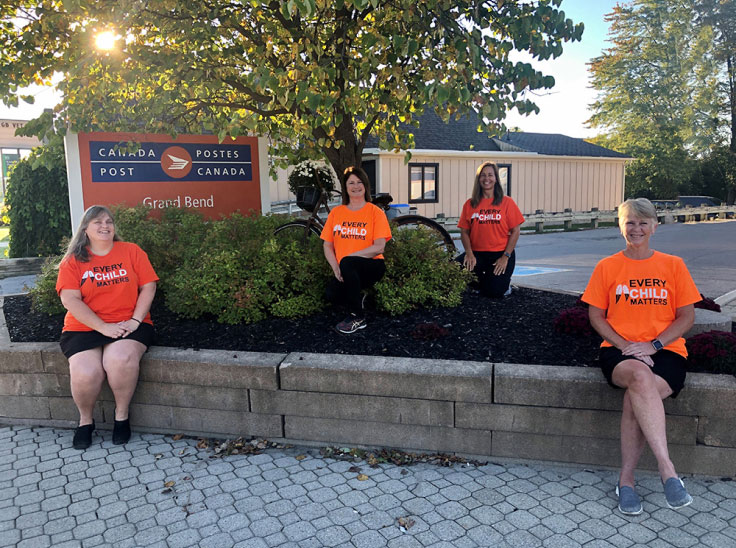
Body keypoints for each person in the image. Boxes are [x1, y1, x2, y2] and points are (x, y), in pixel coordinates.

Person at [581, 198, 700, 515]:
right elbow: (596, 316)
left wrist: (654, 345)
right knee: (638, 376)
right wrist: (625, 345)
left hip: (667, 352)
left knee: (637, 395)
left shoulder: (673, 265)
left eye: (643, 222)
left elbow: (686, 317)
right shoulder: (607, 267)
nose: (636, 228)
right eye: (630, 222)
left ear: (655, 227)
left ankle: (627, 480)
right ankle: (667, 471)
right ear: (620, 226)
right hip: (619, 354)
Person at [56, 205, 158, 450]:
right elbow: (70, 299)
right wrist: (102, 327)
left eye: (108, 221)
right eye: (97, 223)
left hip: (128, 323)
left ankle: (121, 417)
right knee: (86, 372)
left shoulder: (131, 251)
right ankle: (85, 421)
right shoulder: (72, 261)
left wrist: (134, 321)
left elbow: (148, 287)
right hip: (84, 328)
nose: (105, 226)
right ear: (85, 229)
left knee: (119, 360)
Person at [321, 166, 391, 334]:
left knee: (348, 262)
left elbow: (379, 247)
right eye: (351, 182)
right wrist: (336, 267)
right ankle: (359, 297)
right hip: (345, 269)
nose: (356, 186)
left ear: (365, 185)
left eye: (359, 182)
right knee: (331, 295)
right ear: (345, 187)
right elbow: (327, 245)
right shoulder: (336, 213)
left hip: (372, 265)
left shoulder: (375, 212)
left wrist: (348, 259)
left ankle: (357, 317)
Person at [457, 161, 524, 297]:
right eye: (483, 175)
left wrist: (506, 256)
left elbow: (516, 231)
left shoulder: (507, 202)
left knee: (494, 293)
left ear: (496, 179)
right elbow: (464, 231)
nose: (486, 179)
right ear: (478, 179)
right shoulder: (470, 204)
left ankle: (502, 286)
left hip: (500, 254)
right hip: (477, 254)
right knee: (454, 269)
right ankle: (483, 283)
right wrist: (469, 253)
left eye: (490, 175)